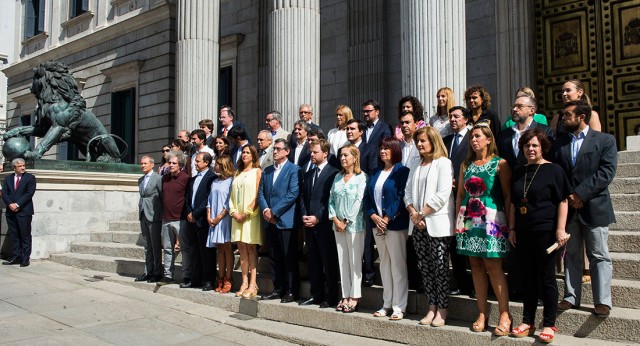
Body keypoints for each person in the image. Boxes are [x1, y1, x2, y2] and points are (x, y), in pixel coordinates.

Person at [553, 100, 616, 318]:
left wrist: (581, 193)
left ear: (582, 117)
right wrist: (570, 196)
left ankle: (602, 301)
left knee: (599, 254)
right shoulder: (559, 143)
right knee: (571, 254)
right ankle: (571, 296)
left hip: (595, 207)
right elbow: (558, 173)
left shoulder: (605, 140)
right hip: (569, 208)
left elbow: (606, 172)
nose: (563, 118)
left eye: (568, 114)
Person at [508, 128, 571, 343]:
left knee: (546, 279)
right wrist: (512, 229)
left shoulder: (554, 170)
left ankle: (549, 324)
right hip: (522, 232)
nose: (530, 149)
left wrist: (560, 230)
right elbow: (514, 204)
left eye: (534, 145)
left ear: (542, 147)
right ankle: (527, 321)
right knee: (527, 278)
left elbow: (562, 200)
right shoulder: (518, 171)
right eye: (527, 145)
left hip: (545, 231)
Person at [455, 123, 512, 336]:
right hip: (469, 219)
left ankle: (505, 314)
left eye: (477, 136)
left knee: (493, 265)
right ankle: (482, 312)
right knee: (476, 266)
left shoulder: (500, 164)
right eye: (471, 137)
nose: (473, 140)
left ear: (489, 139)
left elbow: (507, 196)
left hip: (492, 220)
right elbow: (460, 195)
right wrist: (457, 222)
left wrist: (510, 226)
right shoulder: (465, 165)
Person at [405, 127, 455, 327]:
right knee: (425, 268)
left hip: (437, 223)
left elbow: (443, 194)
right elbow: (407, 192)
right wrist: (414, 214)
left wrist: (422, 213)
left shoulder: (443, 163)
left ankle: (442, 310)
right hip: (417, 225)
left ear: (433, 141)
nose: (419, 144)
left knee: (440, 268)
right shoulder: (416, 163)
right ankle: (431, 306)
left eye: (423, 141)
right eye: (418, 141)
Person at [364, 137, 410, 320]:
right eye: (381, 148)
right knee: (384, 263)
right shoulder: (375, 172)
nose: (383, 151)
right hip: (377, 224)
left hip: (395, 224)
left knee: (397, 264)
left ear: (395, 150)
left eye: (387, 148)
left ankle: (399, 306)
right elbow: (367, 197)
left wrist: (387, 217)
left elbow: (401, 197)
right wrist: (373, 216)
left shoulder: (402, 171)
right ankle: (387, 303)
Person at [259, 138, 302, 303]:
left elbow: (292, 194)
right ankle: (278, 288)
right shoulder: (268, 170)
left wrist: (274, 211)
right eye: (273, 149)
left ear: (287, 151)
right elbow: (261, 192)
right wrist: (265, 210)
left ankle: (291, 290)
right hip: (269, 221)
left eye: (278, 149)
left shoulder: (293, 170)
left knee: (288, 257)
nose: (274, 152)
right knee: (274, 257)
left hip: (285, 220)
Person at [299, 139, 341, 308]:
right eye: (311, 152)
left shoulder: (333, 173)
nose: (312, 155)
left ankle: (331, 297)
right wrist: (304, 215)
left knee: (328, 262)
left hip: (324, 225)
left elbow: (330, 200)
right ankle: (315, 294)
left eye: (315, 152)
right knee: (313, 261)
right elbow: (302, 197)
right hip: (309, 224)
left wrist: (317, 217)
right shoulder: (308, 174)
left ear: (325, 154)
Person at [329, 144, 367, 313]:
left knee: (354, 261)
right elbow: (331, 199)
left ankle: (355, 295)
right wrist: (336, 219)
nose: (343, 158)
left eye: (346, 155)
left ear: (355, 158)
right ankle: (345, 295)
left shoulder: (361, 177)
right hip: (337, 226)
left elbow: (359, 201)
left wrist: (346, 220)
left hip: (355, 226)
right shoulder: (337, 177)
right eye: (341, 155)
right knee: (342, 261)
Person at [442, 106, 473, 296]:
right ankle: (462, 283)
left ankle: (475, 284)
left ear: (466, 119)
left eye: (456, 116)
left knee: (468, 238)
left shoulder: (473, 138)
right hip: (449, 198)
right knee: (454, 242)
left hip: (470, 198)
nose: (452, 120)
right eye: (450, 117)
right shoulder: (446, 141)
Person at [344, 118, 377, 286]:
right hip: (346, 202)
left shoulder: (369, 149)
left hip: (364, 200)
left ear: (361, 132)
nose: (349, 131)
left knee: (366, 240)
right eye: (347, 129)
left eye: (352, 129)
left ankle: (369, 274)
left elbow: (372, 173)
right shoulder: (343, 150)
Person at [229, 145, 263, 298]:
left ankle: (253, 283)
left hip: (251, 217)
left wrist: (246, 213)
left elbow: (257, 195)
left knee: (251, 249)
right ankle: (244, 281)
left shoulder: (257, 172)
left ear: (254, 156)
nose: (244, 155)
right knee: (241, 249)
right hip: (237, 217)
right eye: (243, 152)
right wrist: (234, 212)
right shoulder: (237, 173)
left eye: (248, 152)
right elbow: (231, 197)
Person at [181, 152, 216, 290]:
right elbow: (188, 197)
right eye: (195, 161)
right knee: (194, 251)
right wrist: (189, 212)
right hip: (192, 220)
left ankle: (208, 280)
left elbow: (208, 198)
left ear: (206, 162)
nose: (195, 164)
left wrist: (195, 213)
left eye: (198, 161)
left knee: (207, 252)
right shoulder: (192, 179)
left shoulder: (212, 178)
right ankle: (195, 279)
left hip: (203, 219)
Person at [497, 94, 554, 173]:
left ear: (532, 110)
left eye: (520, 106)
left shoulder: (545, 131)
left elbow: (549, 158)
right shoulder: (504, 134)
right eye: (514, 106)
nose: (514, 109)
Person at [159, 151, 190, 285]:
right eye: (169, 163)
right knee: (167, 248)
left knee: (185, 249)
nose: (170, 165)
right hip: (166, 218)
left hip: (180, 219)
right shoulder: (164, 178)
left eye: (174, 163)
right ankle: (167, 275)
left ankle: (187, 275)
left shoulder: (186, 178)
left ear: (181, 165)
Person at [206, 156, 235, 294]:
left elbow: (229, 203)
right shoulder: (215, 182)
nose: (214, 166)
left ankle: (229, 278)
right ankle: (221, 277)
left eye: (216, 164)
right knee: (220, 249)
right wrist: (209, 216)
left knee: (227, 248)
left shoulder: (231, 181)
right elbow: (210, 201)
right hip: (213, 218)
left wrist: (218, 217)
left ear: (223, 165)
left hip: (225, 219)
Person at [2, 158, 37, 267]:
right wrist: (10, 205)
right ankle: (16, 257)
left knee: (25, 235)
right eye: (20, 166)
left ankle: (25, 258)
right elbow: (4, 193)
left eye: (23, 165)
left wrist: (17, 205)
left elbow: (29, 193)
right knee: (14, 235)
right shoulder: (8, 178)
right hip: (11, 212)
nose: (22, 167)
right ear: (14, 167)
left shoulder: (30, 178)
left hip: (24, 211)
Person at [135, 156, 163, 282]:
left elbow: (162, 196)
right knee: (147, 246)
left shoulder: (158, 178)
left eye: (145, 163)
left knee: (155, 245)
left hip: (154, 215)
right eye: (141, 163)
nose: (142, 166)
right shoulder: (140, 180)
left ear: (152, 165)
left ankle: (157, 273)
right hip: (143, 214)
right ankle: (148, 271)